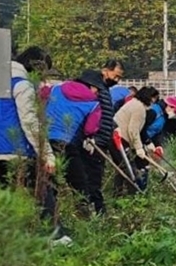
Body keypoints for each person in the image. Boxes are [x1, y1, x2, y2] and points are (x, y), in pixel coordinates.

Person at [0, 45, 62, 235]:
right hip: (14, 148)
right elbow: (29, 121)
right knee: (42, 189)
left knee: (2, 193)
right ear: (36, 68)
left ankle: (0, 235)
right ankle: (54, 233)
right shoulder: (22, 85)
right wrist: (47, 154)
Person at [45, 68, 103, 213]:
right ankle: (83, 214)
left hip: (43, 141)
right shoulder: (94, 103)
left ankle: (49, 215)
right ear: (93, 86)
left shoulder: (55, 89)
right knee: (79, 182)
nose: (98, 93)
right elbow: (90, 129)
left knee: (48, 182)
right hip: (66, 143)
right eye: (98, 89)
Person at [81, 58, 125, 215]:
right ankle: (95, 212)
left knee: (95, 177)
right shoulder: (92, 85)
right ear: (106, 70)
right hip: (93, 141)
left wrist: (113, 126)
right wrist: (87, 135)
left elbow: (104, 113)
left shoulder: (104, 88)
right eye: (116, 75)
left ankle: (96, 211)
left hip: (101, 140)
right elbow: (88, 111)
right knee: (91, 178)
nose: (117, 80)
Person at [112, 85, 159, 192]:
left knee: (121, 166)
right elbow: (133, 130)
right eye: (154, 98)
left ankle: (118, 192)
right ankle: (134, 193)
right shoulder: (139, 108)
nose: (154, 101)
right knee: (128, 167)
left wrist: (143, 145)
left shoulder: (134, 103)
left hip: (117, 135)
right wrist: (139, 148)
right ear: (148, 97)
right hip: (119, 138)